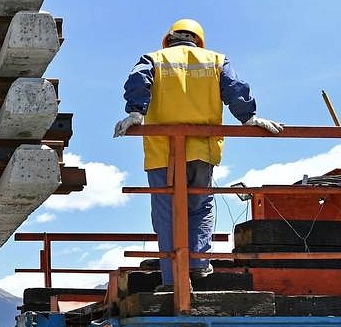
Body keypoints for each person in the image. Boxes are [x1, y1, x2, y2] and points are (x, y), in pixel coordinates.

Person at [114, 18, 284, 289]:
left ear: (169, 39)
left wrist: (135, 111)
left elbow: (137, 79)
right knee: (200, 205)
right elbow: (234, 88)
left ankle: (172, 281)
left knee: (166, 212)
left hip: (161, 150)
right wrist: (248, 118)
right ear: (198, 40)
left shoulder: (154, 58)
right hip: (201, 149)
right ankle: (198, 264)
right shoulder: (215, 60)